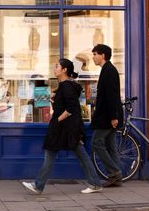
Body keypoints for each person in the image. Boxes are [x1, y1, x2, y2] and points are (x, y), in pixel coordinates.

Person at [22, 59, 103, 195]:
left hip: (66, 127)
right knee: (58, 153)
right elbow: (65, 104)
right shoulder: (65, 86)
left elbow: (71, 108)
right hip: (67, 127)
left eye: (57, 66)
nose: (55, 69)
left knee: (59, 153)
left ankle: (38, 185)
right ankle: (94, 183)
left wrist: (57, 120)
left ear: (64, 70)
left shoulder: (67, 86)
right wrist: (54, 98)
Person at [91, 44, 123, 187]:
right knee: (110, 146)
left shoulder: (109, 70)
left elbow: (112, 95)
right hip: (108, 115)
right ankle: (116, 178)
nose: (93, 57)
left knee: (96, 142)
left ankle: (115, 172)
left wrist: (114, 117)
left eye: (95, 54)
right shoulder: (107, 69)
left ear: (103, 55)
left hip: (107, 117)